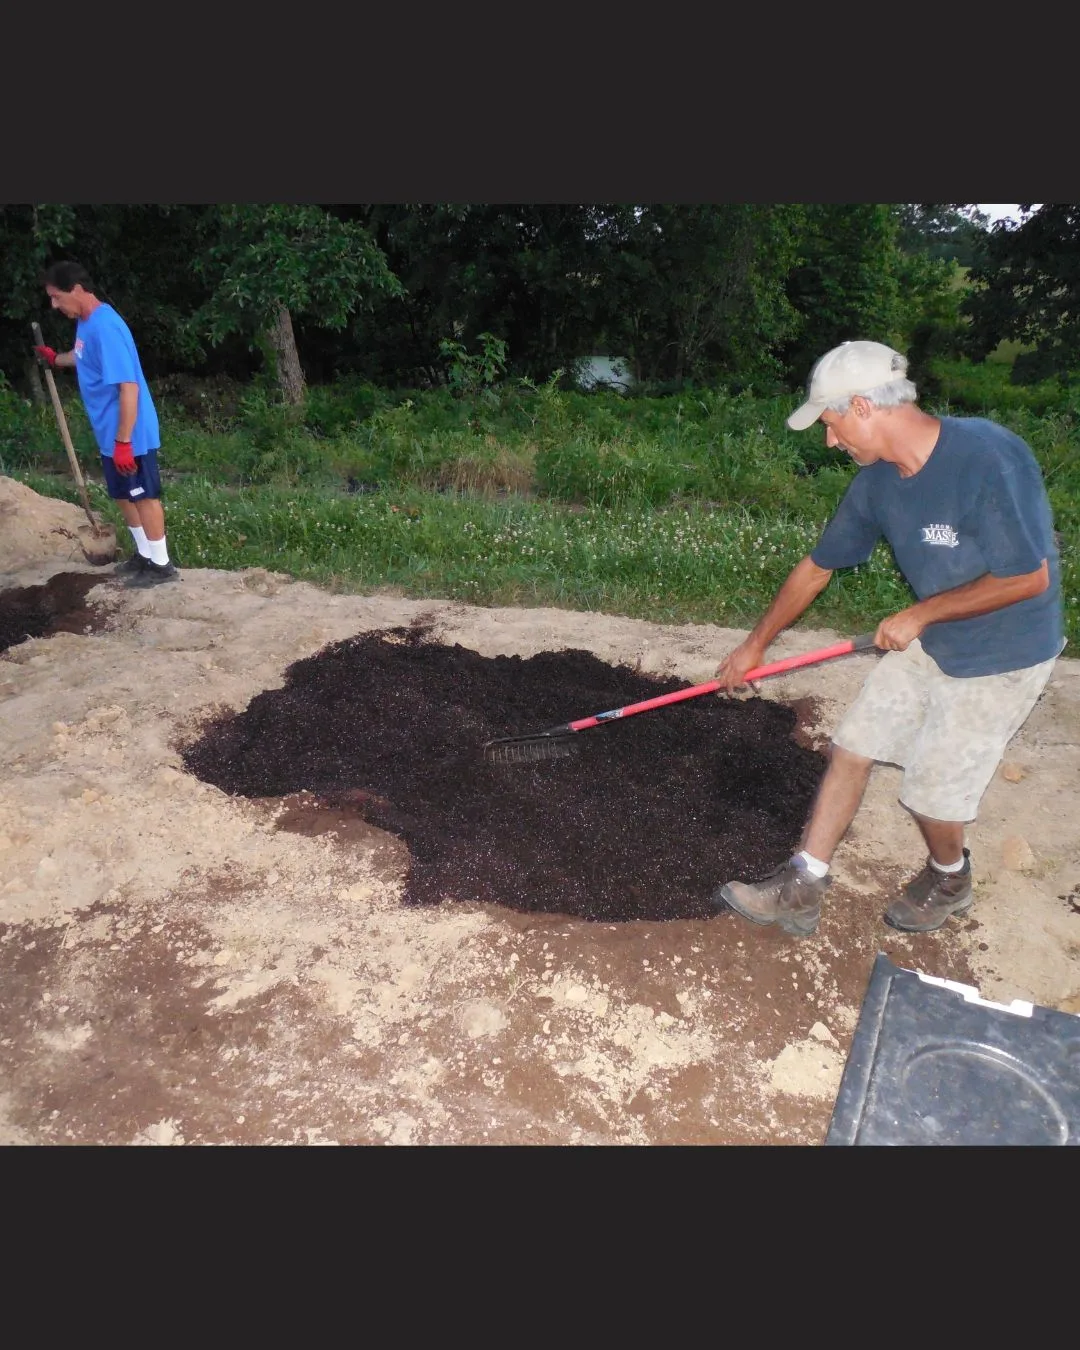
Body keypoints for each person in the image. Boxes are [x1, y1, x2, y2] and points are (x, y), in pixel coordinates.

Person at [712, 340, 1064, 938]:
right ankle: (804, 884)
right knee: (853, 745)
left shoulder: (987, 456)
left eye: (830, 425)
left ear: (862, 407)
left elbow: (1030, 577)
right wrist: (755, 644)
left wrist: (922, 614)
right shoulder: (876, 482)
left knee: (930, 796)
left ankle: (950, 876)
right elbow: (817, 566)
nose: (830, 441)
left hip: (1006, 651)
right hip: (935, 634)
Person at [35, 260, 179, 586]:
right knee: (122, 495)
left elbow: (129, 387)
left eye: (57, 297)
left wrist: (125, 442)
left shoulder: (106, 327)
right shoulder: (86, 324)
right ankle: (144, 554)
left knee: (143, 495)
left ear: (77, 290)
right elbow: (83, 355)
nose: (54, 305)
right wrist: (56, 359)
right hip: (109, 432)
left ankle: (162, 565)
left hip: (129, 432)